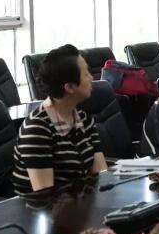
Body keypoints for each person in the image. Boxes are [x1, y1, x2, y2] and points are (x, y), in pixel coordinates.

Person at [12, 44, 107, 194]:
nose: (91, 77)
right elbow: (44, 195)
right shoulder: (37, 128)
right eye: (86, 74)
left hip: (80, 201)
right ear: (69, 87)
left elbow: (102, 175)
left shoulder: (84, 119)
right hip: (42, 207)